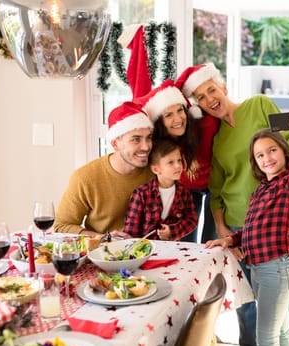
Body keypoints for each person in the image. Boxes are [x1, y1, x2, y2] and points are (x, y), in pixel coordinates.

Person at [179, 62, 289, 346]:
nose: (210, 99)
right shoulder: (218, 139)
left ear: (223, 87)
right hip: (238, 226)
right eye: (201, 97)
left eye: (212, 90)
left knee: (284, 301)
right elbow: (217, 189)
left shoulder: (259, 105)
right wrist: (222, 228)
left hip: (276, 222)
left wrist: (288, 189)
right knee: (245, 302)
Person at [206, 112, 289, 346]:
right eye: (260, 155)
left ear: (283, 151)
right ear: (255, 162)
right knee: (283, 328)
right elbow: (251, 228)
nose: (266, 157)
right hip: (259, 268)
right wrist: (229, 240)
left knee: (265, 336)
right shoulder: (260, 190)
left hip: (276, 269)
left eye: (272, 150)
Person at [54, 101, 154, 239]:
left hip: (155, 251)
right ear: (115, 144)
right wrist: (103, 238)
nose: (146, 146)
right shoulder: (85, 177)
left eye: (148, 138)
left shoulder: (157, 170)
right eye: (136, 140)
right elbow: (62, 226)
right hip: (105, 255)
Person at [136, 79, 219, 243]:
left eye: (180, 110)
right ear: (160, 121)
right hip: (186, 189)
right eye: (168, 115)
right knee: (186, 240)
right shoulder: (158, 146)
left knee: (211, 239)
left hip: (213, 185)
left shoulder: (205, 126)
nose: (178, 119)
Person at [123, 138, 198, 240]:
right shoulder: (141, 194)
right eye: (170, 162)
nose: (178, 166)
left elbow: (192, 220)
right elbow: (131, 231)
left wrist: (172, 231)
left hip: (173, 249)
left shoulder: (184, 193)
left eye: (179, 160)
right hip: (146, 252)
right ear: (156, 169)